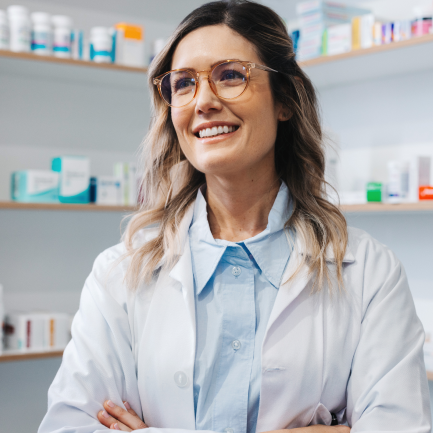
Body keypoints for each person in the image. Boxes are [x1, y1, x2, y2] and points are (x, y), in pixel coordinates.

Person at [38, 1, 431, 432]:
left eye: (230, 75)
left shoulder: (370, 273)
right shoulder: (119, 274)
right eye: (184, 83)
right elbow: (67, 424)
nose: (203, 102)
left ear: (284, 100)